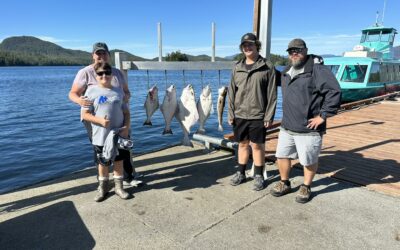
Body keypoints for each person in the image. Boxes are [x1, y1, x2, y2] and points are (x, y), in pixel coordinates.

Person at [270, 38, 341, 203]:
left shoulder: (317, 69)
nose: (294, 53)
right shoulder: (288, 70)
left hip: (308, 128)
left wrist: (323, 116)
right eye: (291, 51)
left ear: (306, 50)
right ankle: (284, 182)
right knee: (282, 156)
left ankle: (306, 186)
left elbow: (334, 91)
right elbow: (277, 79)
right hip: (287, 126)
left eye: (298, 50)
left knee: (308, 160)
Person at [68, 42, 142, 187]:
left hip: (118, 116)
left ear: (108, 55)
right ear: (93, 55)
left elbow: (126, 91)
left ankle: (127, 178)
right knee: (101, 149)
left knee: (123, 146)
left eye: (104, 53)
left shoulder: (117, 72)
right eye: (98, 53)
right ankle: (103, 182)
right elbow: (72, 93)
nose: (101, 56)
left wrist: (126, 96)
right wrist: (79, 101)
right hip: (94, 118)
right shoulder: (85, 72)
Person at [227, 33, 278, 191]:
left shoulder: (267, 66)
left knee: (257, 146)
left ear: (257, 45)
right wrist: (230, 113)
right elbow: (231, 92)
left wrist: (269, 115)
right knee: (242, 145)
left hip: (258, 115)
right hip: (240, 114)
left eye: (250, 44)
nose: (247, 48)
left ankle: (258, 175)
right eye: (244, 45)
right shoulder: (237, 67)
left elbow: (272, 94)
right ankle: (241, 173)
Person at [82, 62, 131, 201]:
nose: (104, 75)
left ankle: (119, 188)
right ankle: (103, 188)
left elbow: (126, 113)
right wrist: (100, 121)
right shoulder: (90, 92)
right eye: (100, 73)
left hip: (119, 135)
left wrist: (126, 128)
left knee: (119, 161)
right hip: (100, 136)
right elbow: (85, 115)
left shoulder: (119, 91)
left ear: (111, 74)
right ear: (95, 75)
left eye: (107, 72)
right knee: (102, 163)